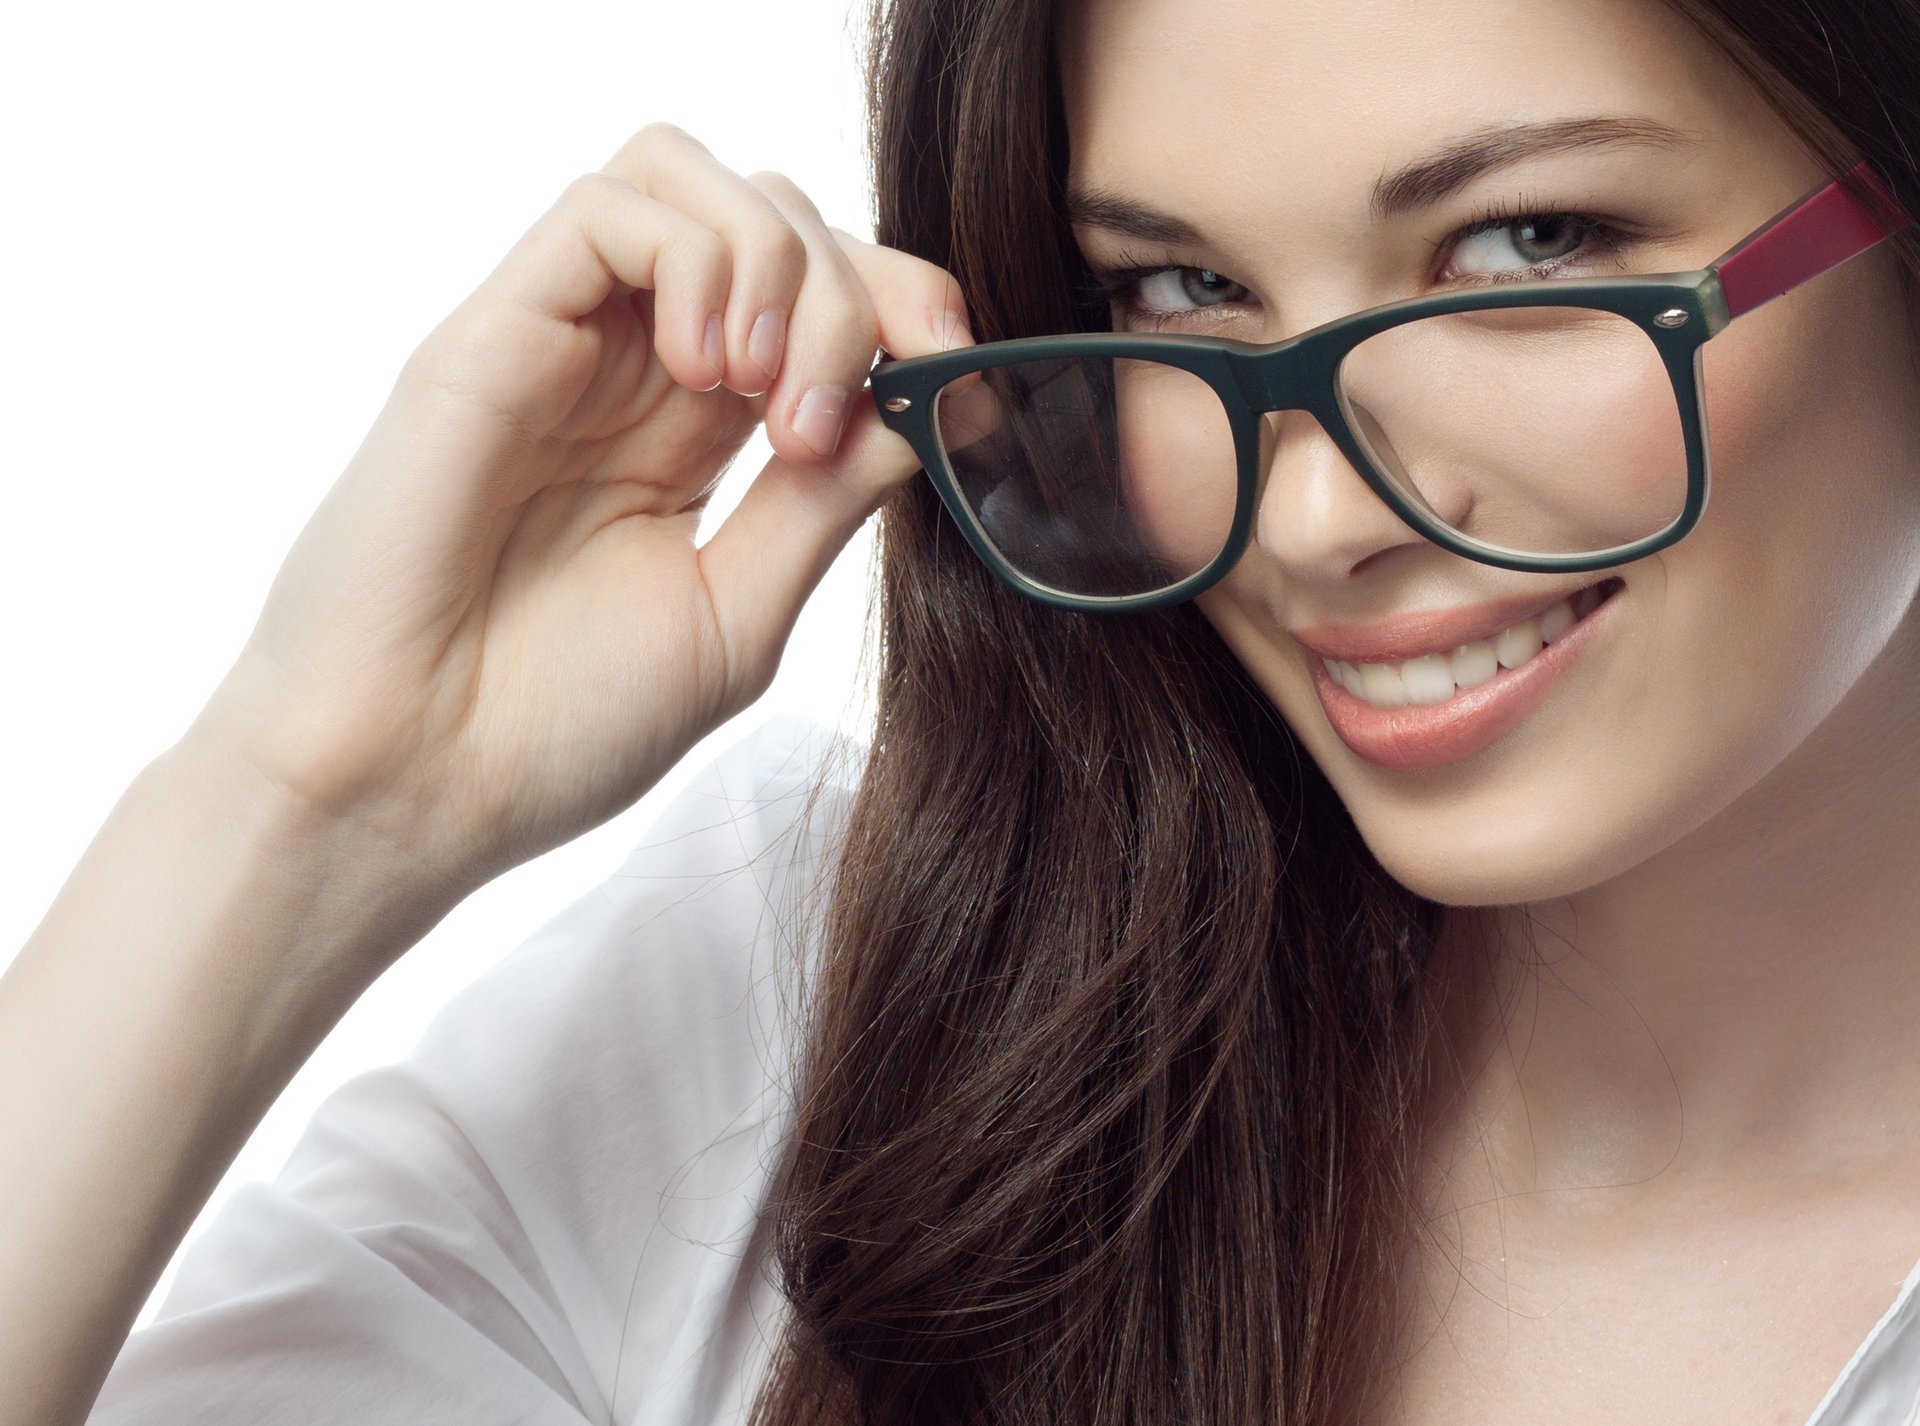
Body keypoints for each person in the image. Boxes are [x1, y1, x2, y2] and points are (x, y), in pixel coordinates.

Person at [7, 0, 1920, 1421]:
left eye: (1529, 244)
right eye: (1179, 288)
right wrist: (299, 802)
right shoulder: (788, 1036)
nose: (1322, 518)